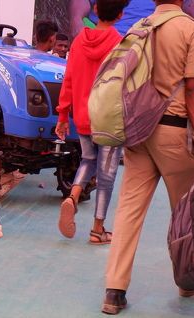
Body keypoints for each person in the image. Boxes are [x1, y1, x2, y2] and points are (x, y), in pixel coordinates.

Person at [102, 0, 194, 314]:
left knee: (129, 209)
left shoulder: (139, 27)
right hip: (172, 132)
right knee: (186, 212)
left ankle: (114, 289)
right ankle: (187, 281)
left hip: (137, 131)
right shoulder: (191, 29)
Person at [56, 0, 127, 244]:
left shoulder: (78, 42)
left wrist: (63, 115)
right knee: (106, 175)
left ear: (95, 10)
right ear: (120, 15)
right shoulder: (120, 44)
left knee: (88, 159)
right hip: (108, 117)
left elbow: (69, 80)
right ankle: (98, 229)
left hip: (83, 116)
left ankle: (73, 197)